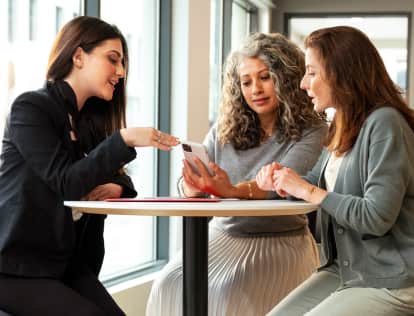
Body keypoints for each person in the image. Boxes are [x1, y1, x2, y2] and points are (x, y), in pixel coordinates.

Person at [0, 16, 179, 316]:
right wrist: (124, 139)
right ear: (79, 56)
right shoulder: (30, 109)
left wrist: (115, 186)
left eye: (122, 63)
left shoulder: (86, 124)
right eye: (113, 60)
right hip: (15, 266)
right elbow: (66, 181)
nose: (121, 72)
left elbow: (122, 181)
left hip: (63, 264)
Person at [146, 33, 327, 316]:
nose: (256, 88)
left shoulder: (312, 130)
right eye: (246, 82)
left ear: (286, 78)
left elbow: (282, 183)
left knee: (228, 296)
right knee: (167, 285)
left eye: (265, 77)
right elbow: (194, 186)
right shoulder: (224, 130)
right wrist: (193, 188)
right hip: (222, 236)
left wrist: (229, 190)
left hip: (280, 241)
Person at [257, 26, 414, 316]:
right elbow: (315, 183)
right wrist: (284, 183)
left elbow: (376, 217)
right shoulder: (343, 124)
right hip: (346, 271)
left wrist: (306, 190)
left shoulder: (386, 124)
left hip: (391, 281)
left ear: (342, 74)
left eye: (312, 72)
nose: (304, 83)